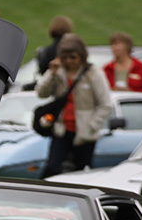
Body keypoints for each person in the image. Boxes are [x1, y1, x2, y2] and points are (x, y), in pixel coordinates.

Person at [36, 33, 112, 179]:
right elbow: (41, 93)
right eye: (65, 58)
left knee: (80, 173)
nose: (69, 61)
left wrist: (92, 125)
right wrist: (51, 73)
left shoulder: (93, 74)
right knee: (52, 168)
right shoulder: (58, 72)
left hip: (84, 133)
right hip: (61, 130)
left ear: (81, 56)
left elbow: (105, 104)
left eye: (73, 58)